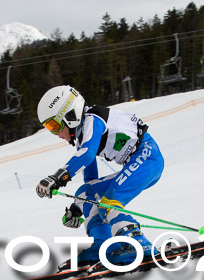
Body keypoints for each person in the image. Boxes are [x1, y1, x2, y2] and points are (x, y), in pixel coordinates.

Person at [35, 85, 165, 266]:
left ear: (70, 116)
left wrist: (58, 177)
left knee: (108, 203)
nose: (55, 133)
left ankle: (137, 243)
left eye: (54, 126)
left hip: (147, 157)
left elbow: (87, 154)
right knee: (84, 193)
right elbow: (91, 181)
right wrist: (77, 208)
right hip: (138, 163)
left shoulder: (93, 120)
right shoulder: (82, 135)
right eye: (50, 128)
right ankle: (104, 244)